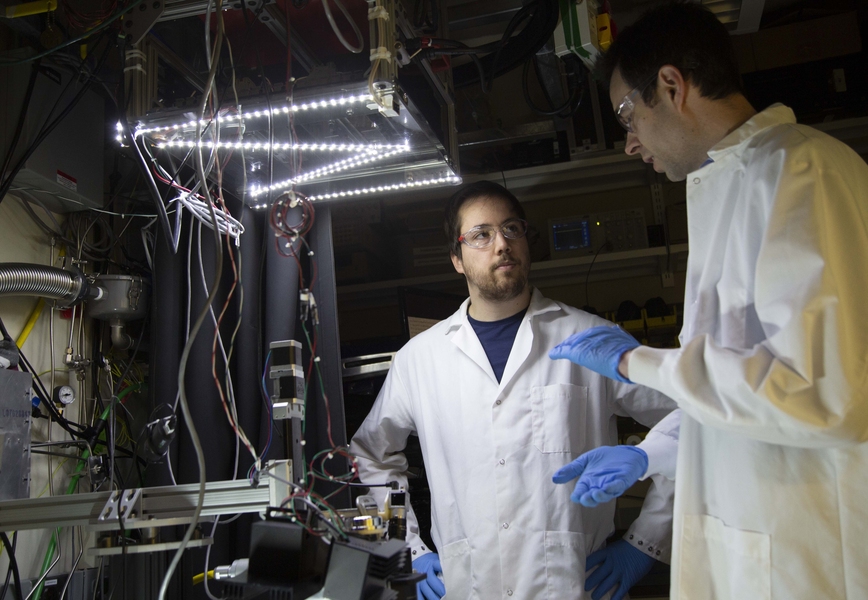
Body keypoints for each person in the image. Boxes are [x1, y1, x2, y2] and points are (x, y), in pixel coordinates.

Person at [549, 3, 868, 599]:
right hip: (752, 544)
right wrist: (652, 454)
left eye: (626, 115)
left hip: (803, 558)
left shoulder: (800, 171)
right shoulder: (732, 182)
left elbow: (819, 395)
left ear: (671, 86)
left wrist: (634, 362)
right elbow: (740, 385)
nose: (628, 143)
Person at [350, 181, 679, 600]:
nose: (501, 244)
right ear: (457, 258)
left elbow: (692, 418)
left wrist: (645, 544)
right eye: (481, 235)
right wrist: (402, 550)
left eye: (512, 229)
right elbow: (367, 460)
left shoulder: (592, 338)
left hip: (577, 587)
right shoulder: (419, 359)